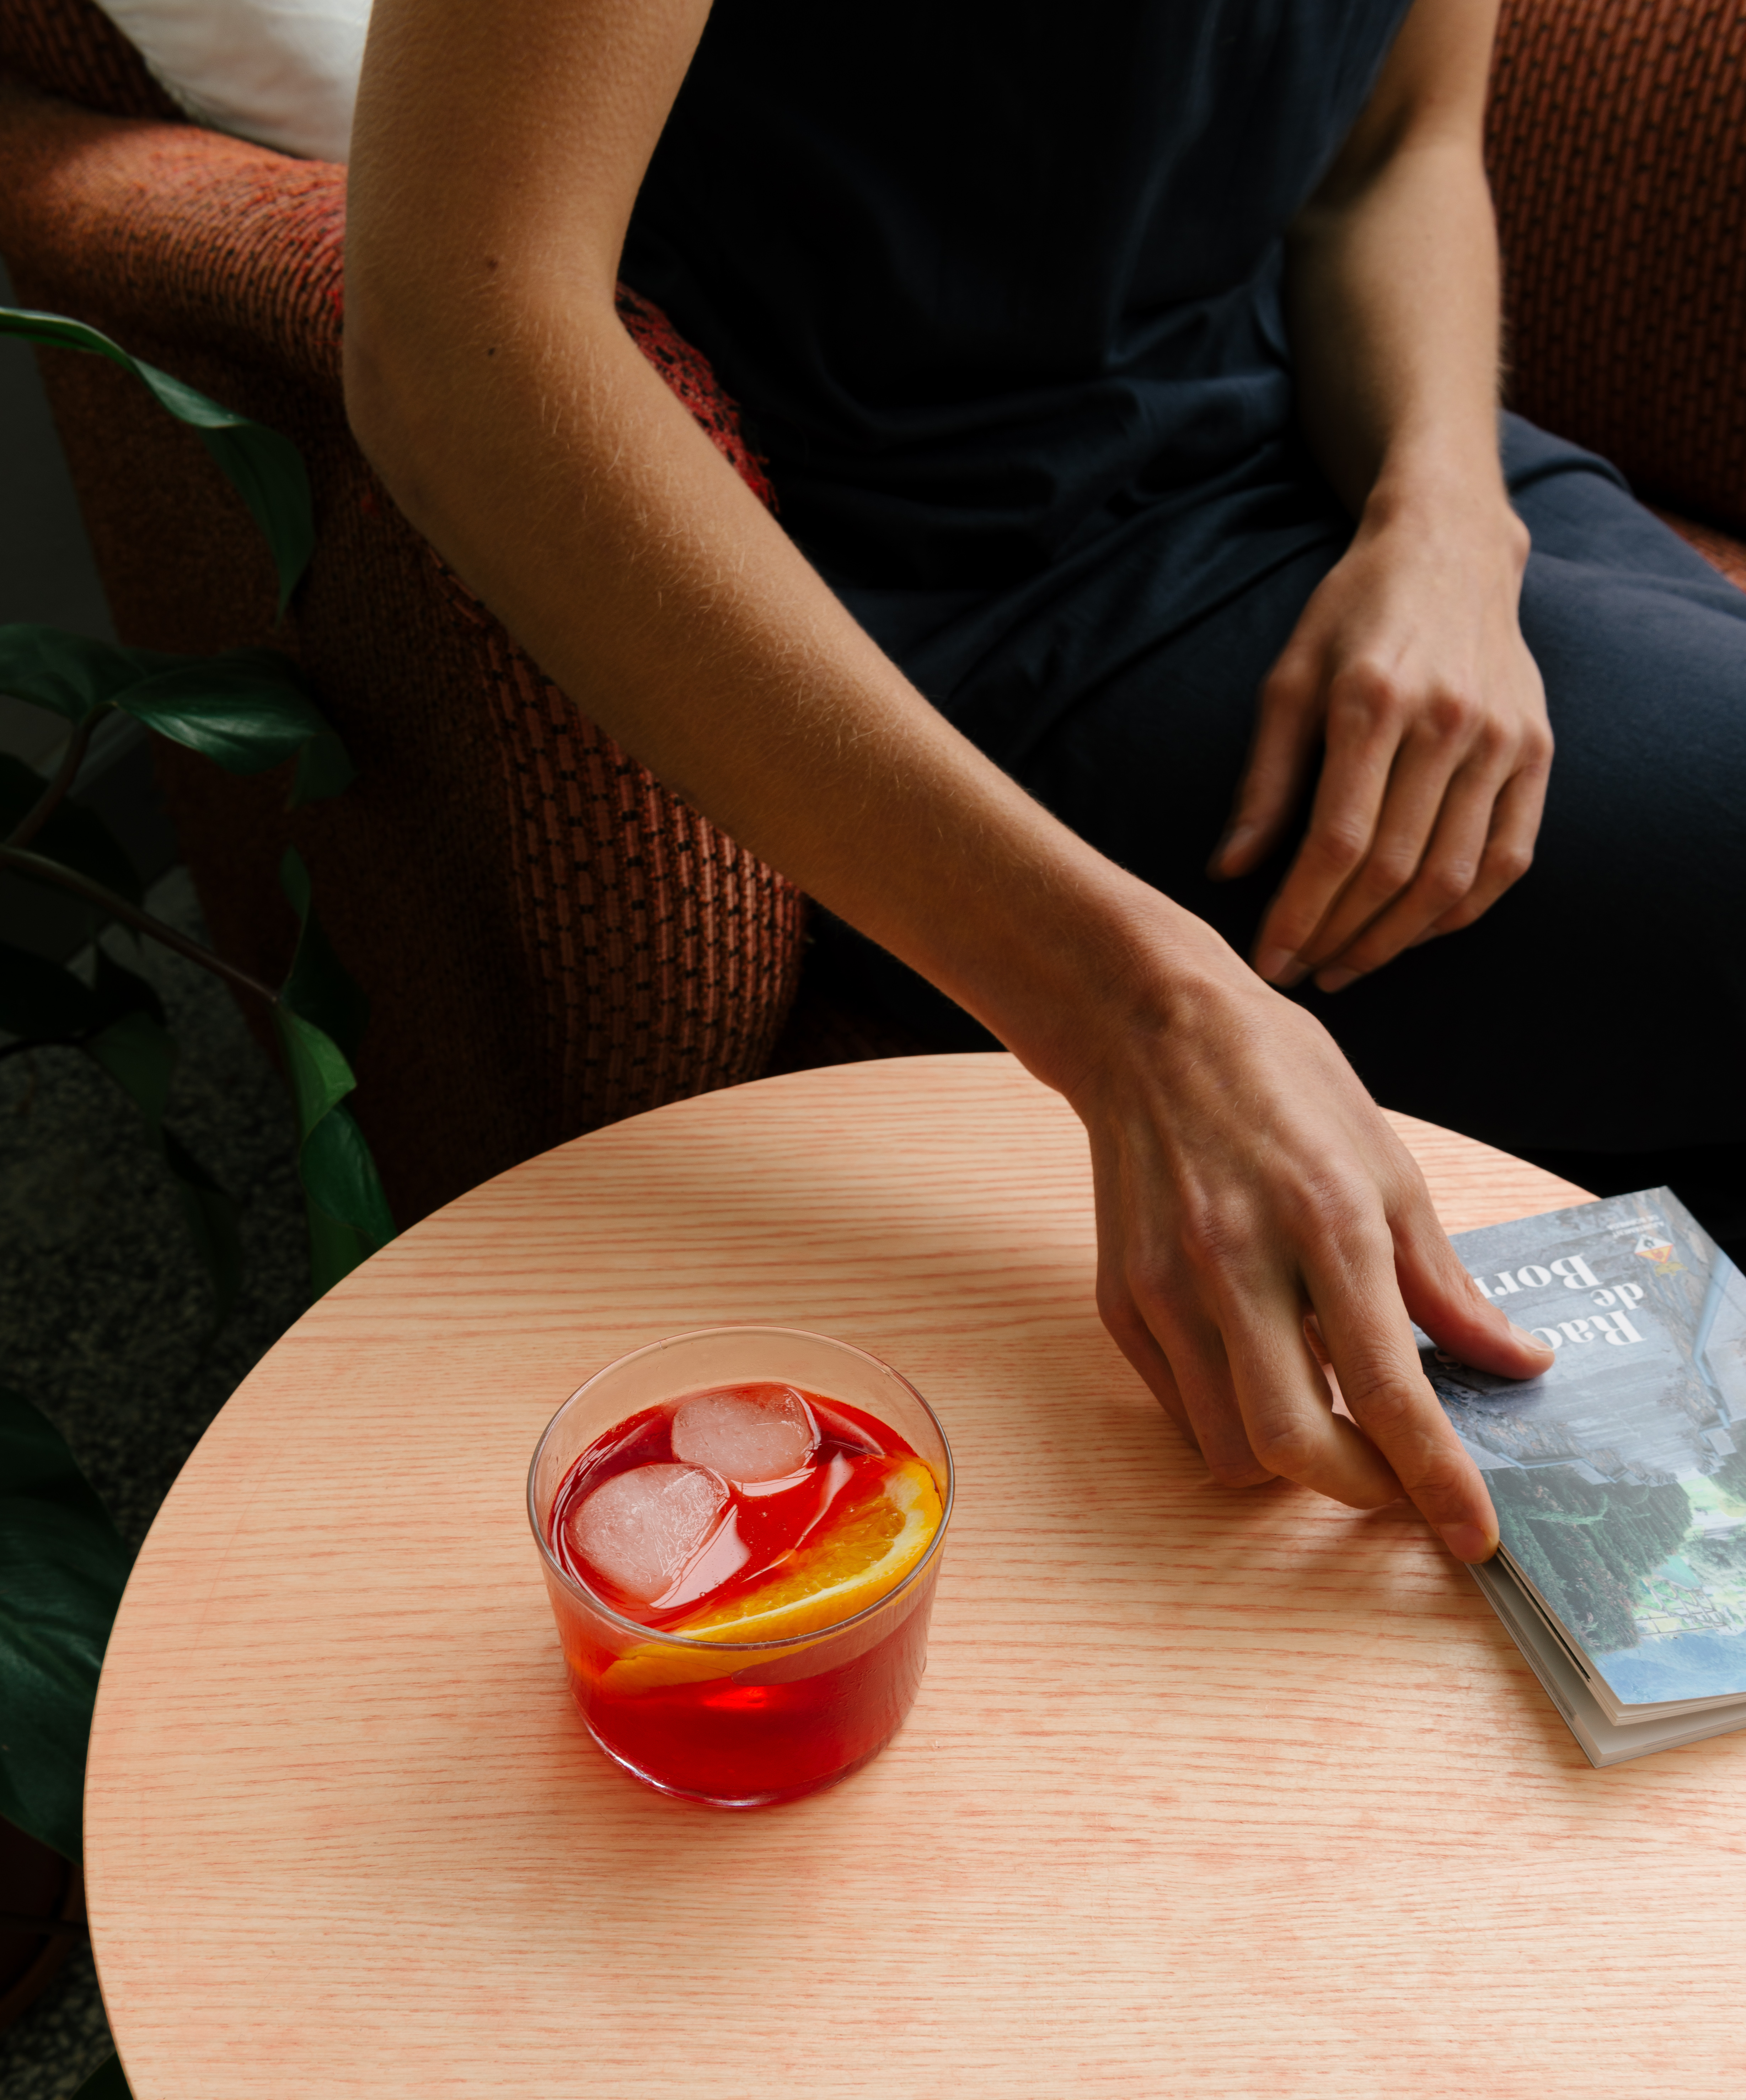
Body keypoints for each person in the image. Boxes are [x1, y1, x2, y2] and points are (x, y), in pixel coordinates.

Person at [341, 0, 1745, 1561]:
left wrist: (1447, 530)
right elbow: (448, 338)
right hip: (942, 610)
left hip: (1344, 460)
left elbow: (1393, 155)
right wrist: (1134, 1011)